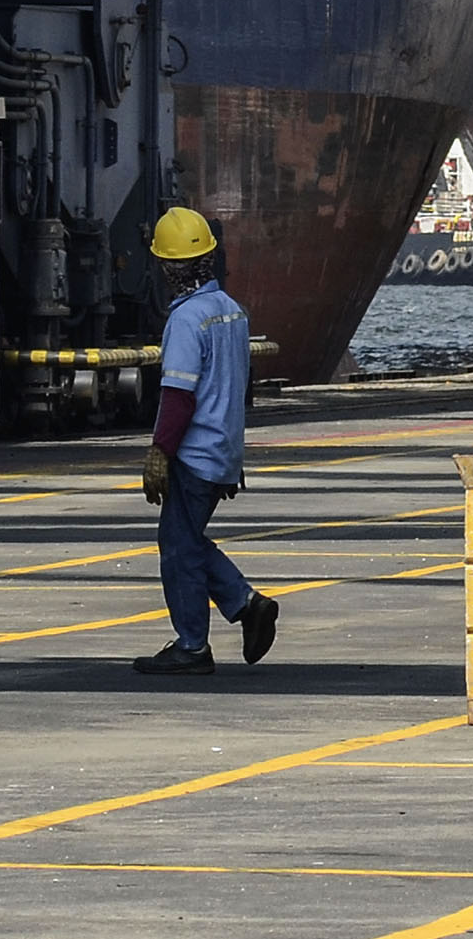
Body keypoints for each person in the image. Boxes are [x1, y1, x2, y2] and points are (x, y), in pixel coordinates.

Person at [132, 206, 281, 678]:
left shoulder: (186, 319)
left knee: (177, 547)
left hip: (194, 453)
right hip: (224, 450)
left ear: (165, 266)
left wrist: (160, 451)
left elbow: (178, 394)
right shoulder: (231, 312)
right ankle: (245, 604)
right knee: (186, 539)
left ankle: (194, 645)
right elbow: (235, 389)